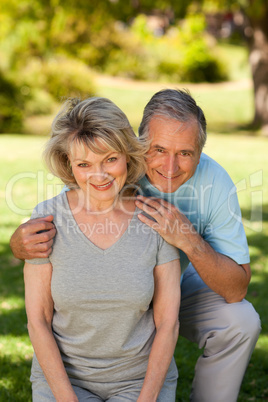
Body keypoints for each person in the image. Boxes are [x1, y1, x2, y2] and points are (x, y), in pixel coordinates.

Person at [11, 89, 261, 402]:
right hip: (115, 297)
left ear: (200, 151)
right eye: (158, 149)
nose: (170, 167)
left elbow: (235, 288)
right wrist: (20, 243)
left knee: (241, 321)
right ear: (138, 144)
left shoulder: (215, 184)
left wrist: (188, 239)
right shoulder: (102, 164)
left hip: (171, 290)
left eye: (185, 153)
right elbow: (72, 208)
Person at [23, 96, 181, 401]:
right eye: (84, 164)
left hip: (139, 379)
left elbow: (168, 324)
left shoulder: (156, 217)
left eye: (110, 159)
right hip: (64, 380)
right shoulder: (46, 220)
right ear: (69, 164)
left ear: (127, 155)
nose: (100, 175)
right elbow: (38, 322)